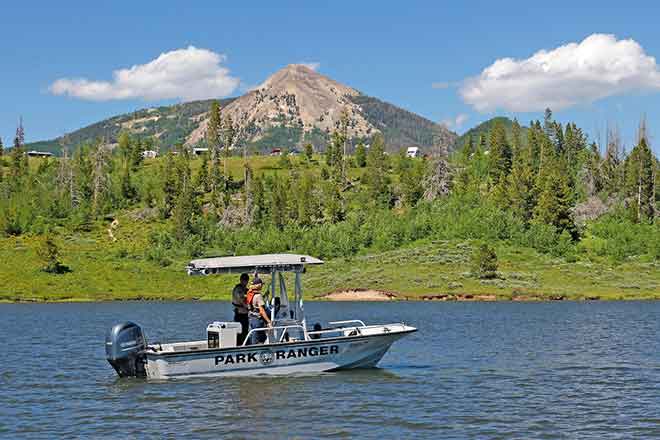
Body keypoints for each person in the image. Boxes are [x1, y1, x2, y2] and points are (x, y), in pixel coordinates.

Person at [246, 275, 272, 344]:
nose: (262, 286)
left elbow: (254, 303)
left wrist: (265, 296)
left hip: (251, 318)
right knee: (257, 339)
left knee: (260, 336)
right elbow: (262, 311)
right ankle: (254, 351)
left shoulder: (250, 293)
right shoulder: (258, 296)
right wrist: (269, 322)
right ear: (259, 285)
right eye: (261, 285)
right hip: (258, 320)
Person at [232, 273, 250, 345]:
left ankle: (244, 342)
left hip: (245, 314)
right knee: (240, 330)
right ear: (241, 280)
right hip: (239, 313)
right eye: (244, 280)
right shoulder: (238, 289)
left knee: (245, 330)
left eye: (246, 280)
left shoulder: (245, 289)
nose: (245, 282)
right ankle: (240, 344)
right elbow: (241, 300)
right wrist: (248, 307)